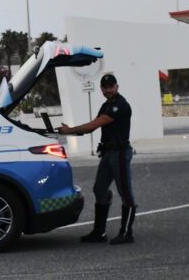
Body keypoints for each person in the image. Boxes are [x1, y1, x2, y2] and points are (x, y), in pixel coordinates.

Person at [58, 73, 137, 245]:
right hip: (108, 153)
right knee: (99, 189)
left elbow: (94, 125)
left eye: (111, 87)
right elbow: (90, 128)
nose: (108, 90)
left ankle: (126, 233)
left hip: (120, 153)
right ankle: (99, 232)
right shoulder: (106, 105)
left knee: (126, 193)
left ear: (117, 87)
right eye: (105, 87)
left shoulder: (120, 106)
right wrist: (68, 131)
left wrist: (70, 130)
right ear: (101, 89)